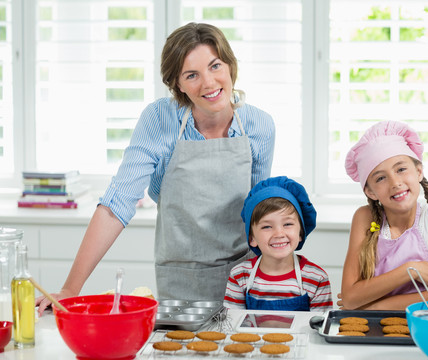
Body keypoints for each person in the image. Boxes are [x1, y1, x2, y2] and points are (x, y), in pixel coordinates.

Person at [36, 22, 275, 314]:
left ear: (230, 66)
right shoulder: (160, 120)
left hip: (245, 281)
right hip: (180, 282)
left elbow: (261, 214)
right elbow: (116, 204)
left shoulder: (259, 127)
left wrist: (277, 283)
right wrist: (71, 289)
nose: (209, 83)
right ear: (178, 84)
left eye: (215, 66)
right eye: (192, 75)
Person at [339, 121, 428, 310]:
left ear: (419, 172)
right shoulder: (364, 218)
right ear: (371, 192)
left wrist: (371, 307)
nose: (395, 182)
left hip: (423, 328)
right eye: (380, 178)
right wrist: (411, 270)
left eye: (401, 169)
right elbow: (351, 297)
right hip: (374, 331)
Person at [223, 176, 333, 311]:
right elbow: (232, 324)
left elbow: (319, 327)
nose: (279, 233)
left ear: (300, 233)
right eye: (267, 227)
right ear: (252, 238)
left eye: (287, 224)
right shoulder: (240, 276)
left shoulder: (316, 278)